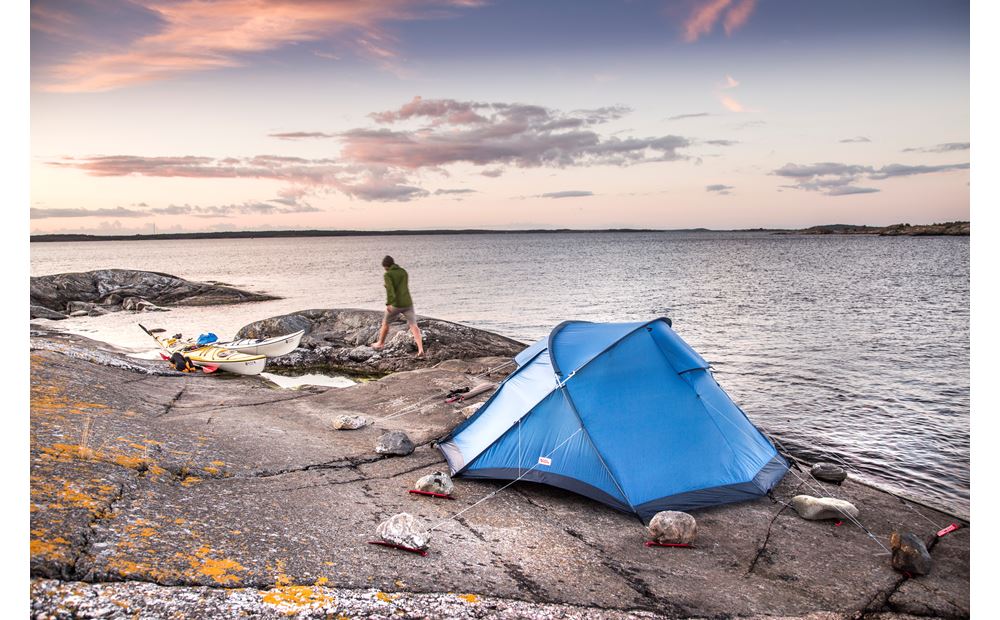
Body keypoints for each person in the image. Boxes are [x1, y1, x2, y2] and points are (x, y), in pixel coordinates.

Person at [372, 255, 425, 357]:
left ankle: (380, 343)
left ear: (386, 266)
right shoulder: (403, 271)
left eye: (384, 267)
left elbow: (390, 290)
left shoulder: (388, 274)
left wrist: (389, 303)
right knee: (413, 325)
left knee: (385, 323)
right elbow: (402, 286)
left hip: (396, 304)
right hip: (408, 303)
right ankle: (420, 349)